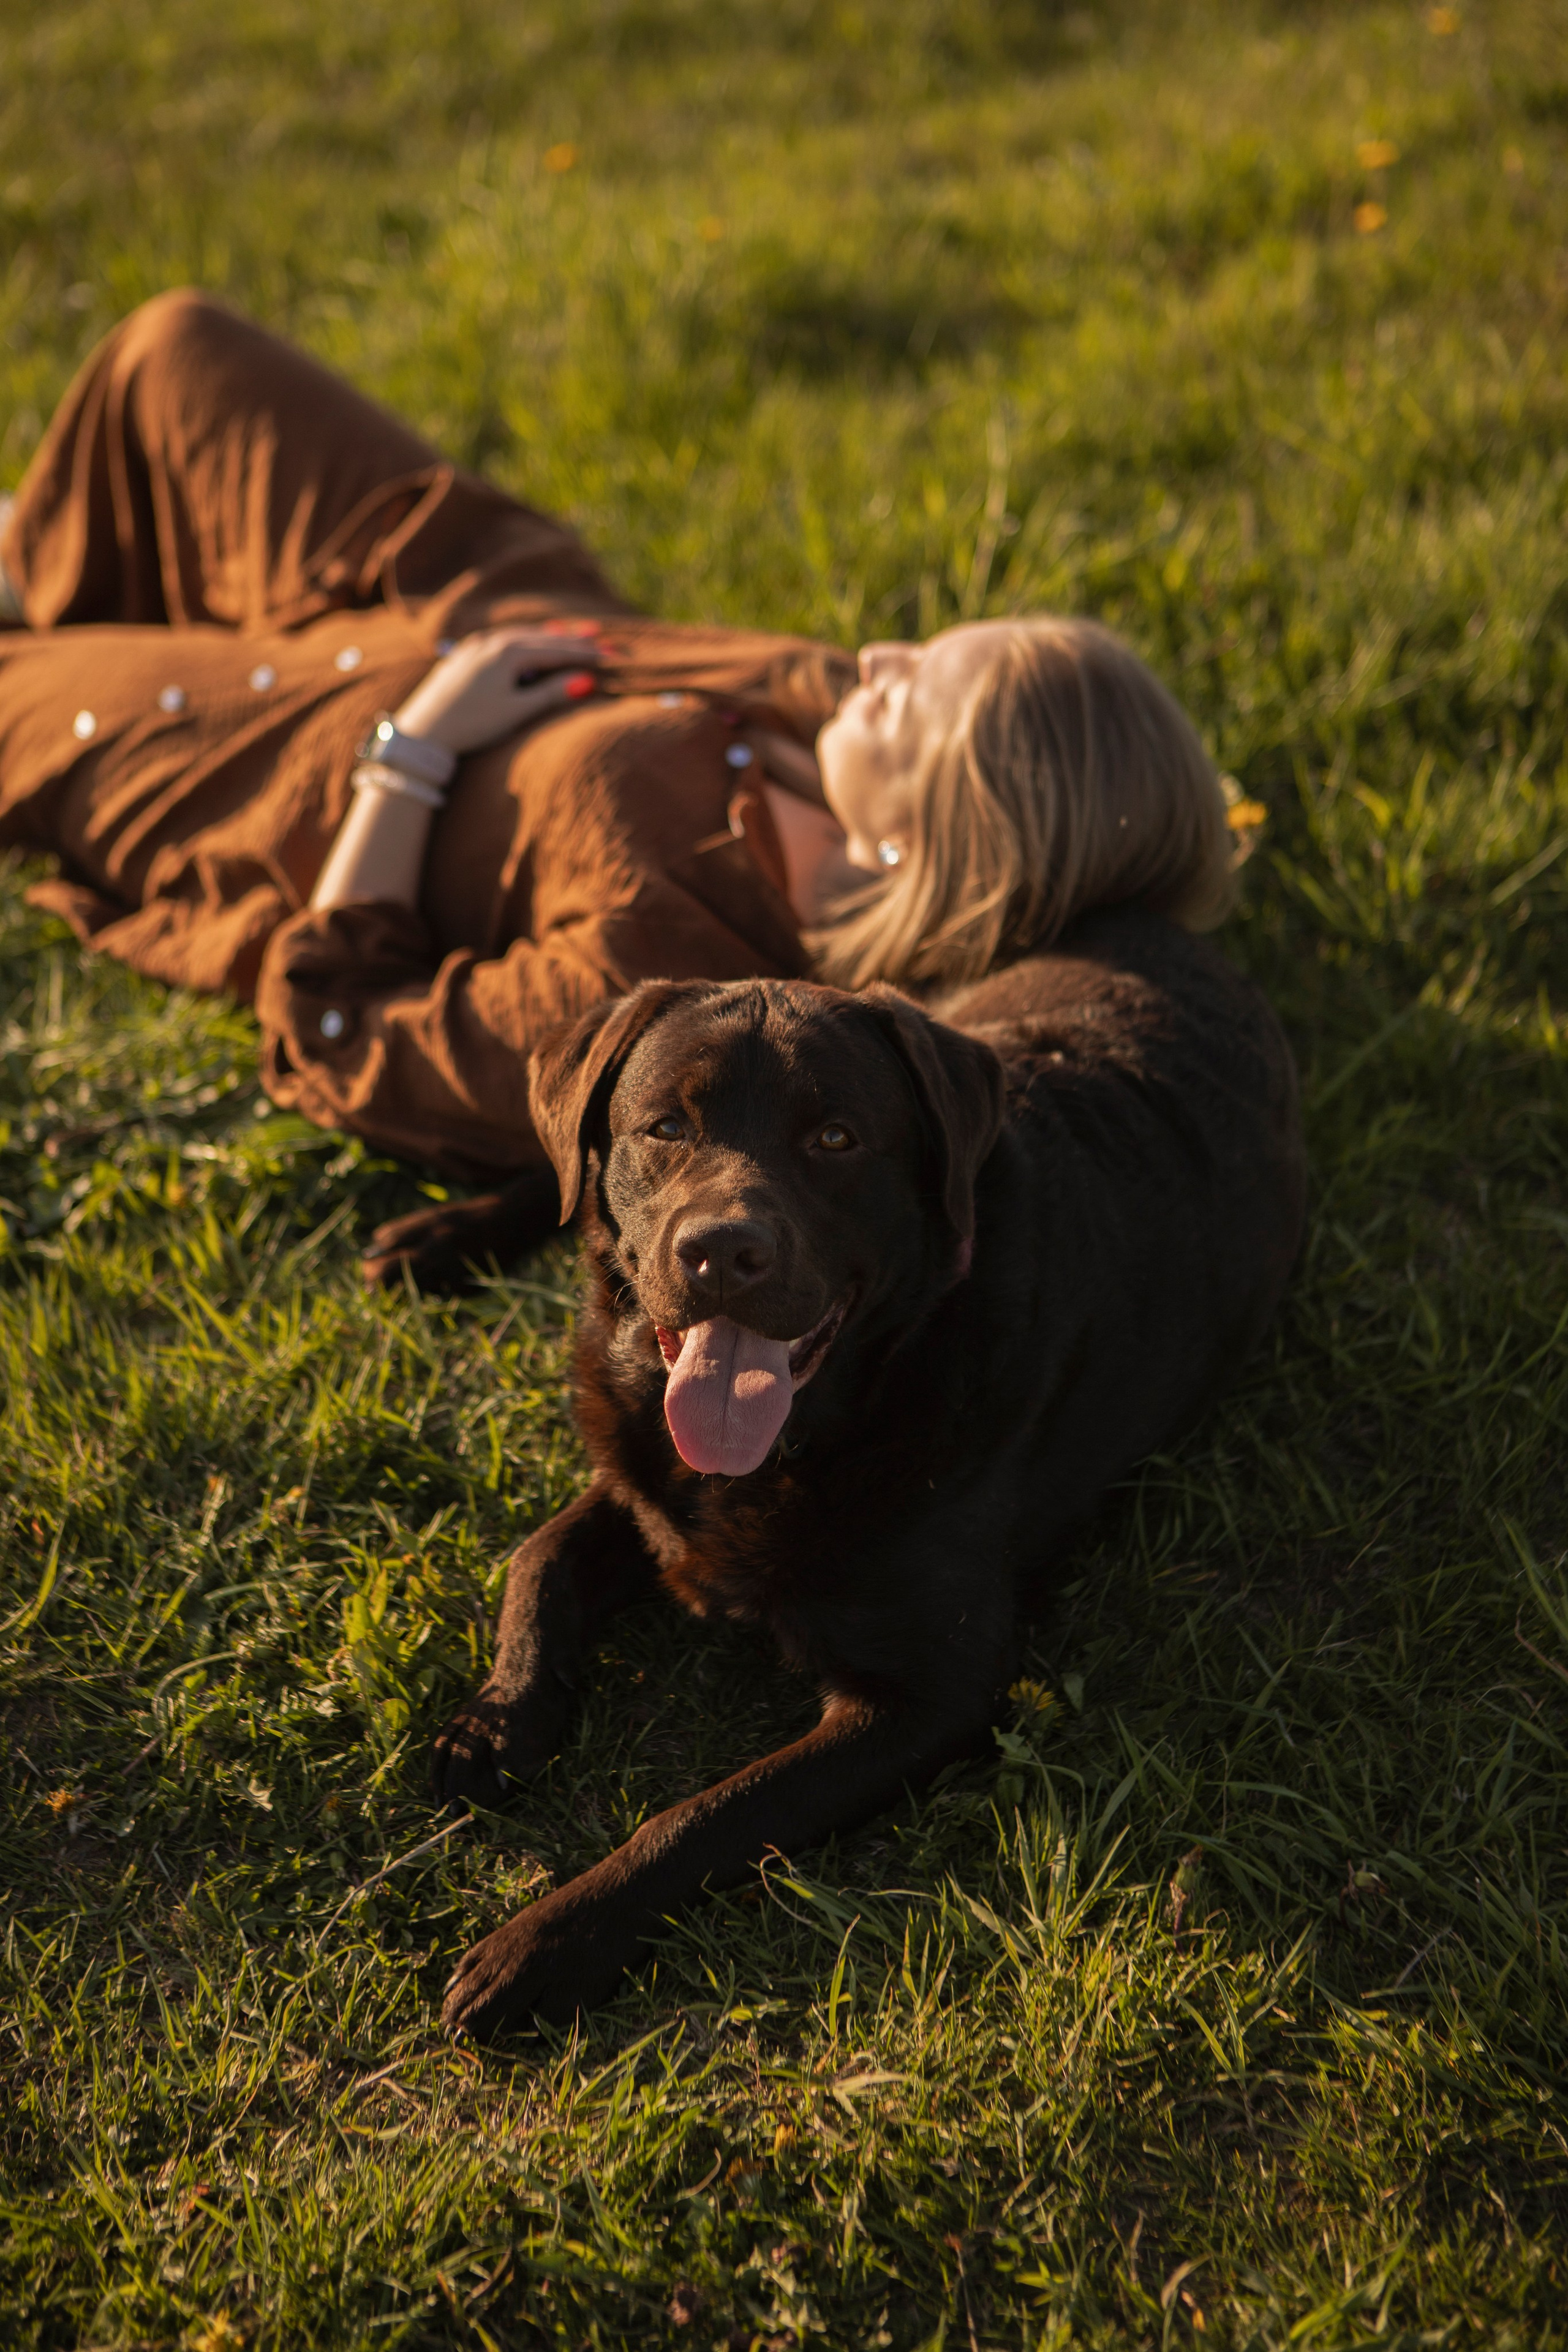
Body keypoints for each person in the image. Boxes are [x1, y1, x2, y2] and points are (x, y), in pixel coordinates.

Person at [0, 291, 1238, 1285]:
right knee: (173, 349)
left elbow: (342, 1028)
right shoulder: (831, 720)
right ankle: (63, 560)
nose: (878, 658)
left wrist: (414, 754)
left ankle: (63, 589)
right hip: (453, 583)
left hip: (286, 758)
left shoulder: (689, 1000)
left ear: (929, 839)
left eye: (912, 693)